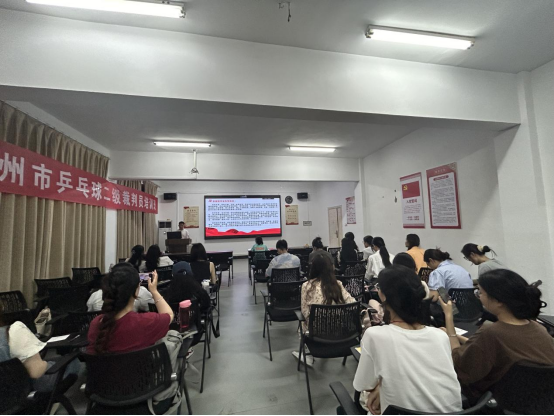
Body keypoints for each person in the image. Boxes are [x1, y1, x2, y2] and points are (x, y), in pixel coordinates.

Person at [353, 266, 463, 415]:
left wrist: (378, 386)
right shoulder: (440, 336)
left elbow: (362, 384)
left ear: (383, 295)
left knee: (364, 401)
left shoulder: (374, 336)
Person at [439, 269, 554, 403]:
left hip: (497, 400)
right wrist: (461, 338)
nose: (479, 297)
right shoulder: (538, 328)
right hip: (539, 400)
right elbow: (501, 348)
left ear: (498, 301)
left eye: (480, 293)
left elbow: (460, 366)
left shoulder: (491, 333)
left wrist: (448, 317)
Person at [0, 305, 81, 393]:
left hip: (5, 396)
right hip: (24, 392)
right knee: (73, 361)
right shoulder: (15, 331)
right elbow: (36, 372)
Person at [294, 254, 356, 367]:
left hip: (315, 333)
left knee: (301, 322)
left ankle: (307, 354)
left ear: (313, 268)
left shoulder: (306, 286)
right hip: (340, 332)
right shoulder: (337, 284)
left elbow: (304, 311)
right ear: (331, 267)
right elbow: (352, 303)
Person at [87, 285, 154, 313]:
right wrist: (154, 292)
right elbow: (152, 309)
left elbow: (89, 314)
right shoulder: (140, 291)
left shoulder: (94, 295)